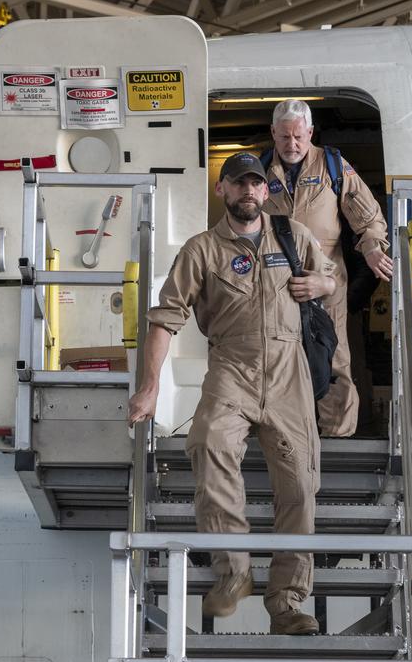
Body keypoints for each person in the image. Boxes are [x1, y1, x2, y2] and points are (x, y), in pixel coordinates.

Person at [127, 151, 336, 636]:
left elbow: (330, 277)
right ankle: (233, 572)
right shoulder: (202, 249)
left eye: (256, 184)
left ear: (266, 191)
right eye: (238, 184)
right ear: (222, 190)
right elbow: (165, 318)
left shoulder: (294, 236)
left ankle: (287, 604)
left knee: (300, 485)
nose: (248, 191)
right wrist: (150, 386)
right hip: (232, 365)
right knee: (208, 443)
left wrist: (321, 281)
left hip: (289, 371)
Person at [262, 98, 394, 437]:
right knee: (278, 356)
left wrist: (372, 250)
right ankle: (286, 435)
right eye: (284, 137)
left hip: (327, 277)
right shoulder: (259, 169)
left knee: (333, 358)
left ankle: (338, 436)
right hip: (275, 279)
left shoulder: (332, 166)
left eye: (299, 137)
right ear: (273, 133)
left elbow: (368, 217)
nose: (292, 145)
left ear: (310, 132)